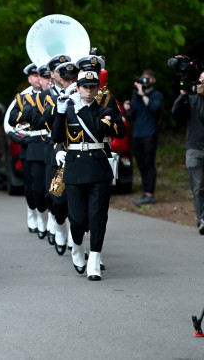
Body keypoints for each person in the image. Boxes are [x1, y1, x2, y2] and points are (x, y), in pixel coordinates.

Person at [52, 59, 126, 281]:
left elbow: (118, 131)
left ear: (97, 88)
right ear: (78, 87)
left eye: (93, 87)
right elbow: (56, 137)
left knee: (98, 218)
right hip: (75, 167)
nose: (89, 90)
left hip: (98, 167)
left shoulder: (106, 110)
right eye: (85, 86)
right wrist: (60, 112)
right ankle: (77, 248)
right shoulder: (69, 108)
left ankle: (94, 259)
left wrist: (81, 109)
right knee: (77, 219)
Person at [31, 57, 78, 254]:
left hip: (76, 148)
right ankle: (59, 226)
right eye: (58, 71)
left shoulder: (82, 93)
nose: (64, 77)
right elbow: (37, 121)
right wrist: (57, 108)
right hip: (53, 149)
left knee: (76, 198)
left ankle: (77, 238)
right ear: (52, 74)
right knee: (56, 198)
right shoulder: (45, 96)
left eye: (70, 75)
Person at [5, 63, 43, 234]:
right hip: (29, 146)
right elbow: (10, 122)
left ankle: (46, 217)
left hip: (48, 145)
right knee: (31, 185)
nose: (38, 78)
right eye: (34, 75)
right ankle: (32, 212)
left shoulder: (55, 95)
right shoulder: (23, 97)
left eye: (40, 75)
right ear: (29, 78)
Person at [123, 70, 163, 205]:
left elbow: (154, 109)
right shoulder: (136, 95)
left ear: (153, 80)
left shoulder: (156, 95)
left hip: (149, 134)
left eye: (148, 78)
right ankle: (145, 192)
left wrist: (143, 94)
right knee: (141, 164)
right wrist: (127, 108)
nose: (145, 80)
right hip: (137, 135)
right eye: (143, 78)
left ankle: (150, 194)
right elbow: (132, 116)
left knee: (149, 163)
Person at [172, 71, 204, 235]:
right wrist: (183, 95)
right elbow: (176, 113)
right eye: (199, 81)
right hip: (194, 149)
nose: (199, 84)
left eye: (203, 82)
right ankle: (201, 219)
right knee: (198, 187)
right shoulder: (191, 100)